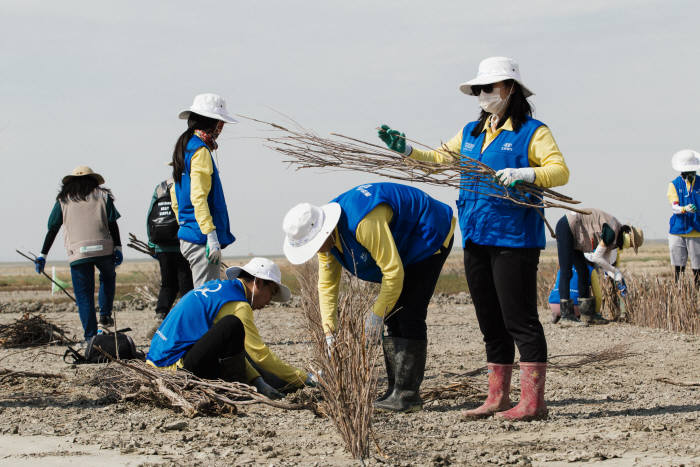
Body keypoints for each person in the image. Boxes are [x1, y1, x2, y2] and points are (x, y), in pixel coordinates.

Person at [378, 57, 568, 421]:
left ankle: (533, 403)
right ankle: (497, 397)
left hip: (514, 239)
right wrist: (404, 149)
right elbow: (437, 159)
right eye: (477, 89)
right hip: (476, 238)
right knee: (490, 321)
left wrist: (526, 172)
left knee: (520, 320)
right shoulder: (471, 133)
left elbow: (559, 170)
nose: (481, 94)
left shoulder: (533, 131)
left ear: (509, 88)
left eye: (488, 88)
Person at [282, 182, 455, 412]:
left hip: (428, 234)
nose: (317, 251)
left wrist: (375, 315)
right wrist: (329, 334)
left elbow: (393, 274)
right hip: (403, 248)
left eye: (315, 245)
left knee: (408, 313)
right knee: (393, 315)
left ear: (322, 232)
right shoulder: (328, 242)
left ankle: (407, 396)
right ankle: (395, 391)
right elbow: (326, 286)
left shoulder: (362, 222)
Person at [146, 257, 313, 398]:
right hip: (175, 368)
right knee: (232, 325)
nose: (269, 301)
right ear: (259, 283)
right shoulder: (238, 304)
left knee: (236, 338)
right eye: (272, 292)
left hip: (155, 362)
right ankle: (237, 390)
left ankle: (250, 382)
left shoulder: (217, 288)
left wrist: (256, 380)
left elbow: (234, 349)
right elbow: (260, 355)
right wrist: (305, 378)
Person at [34, 166, 122, 342]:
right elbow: (113, 224)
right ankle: (104, 315)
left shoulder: (63, 200)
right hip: (103, 248)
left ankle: (90, 337)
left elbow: (52, 228)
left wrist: (43, 254)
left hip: (78, 253)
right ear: (93, 180)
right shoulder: (103, 196)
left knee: (84, 295)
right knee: (108, 277)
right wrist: (118, 247)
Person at [171, 93, 237, 287]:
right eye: (220, 124)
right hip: (201, 238)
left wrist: (184, 224)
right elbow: (198, 196)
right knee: (206, 296)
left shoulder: (185, 148)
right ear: (214, 124)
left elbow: (175, 194)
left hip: (190, 233)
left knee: (202, 294)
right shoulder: (199, 151)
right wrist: (210, 235)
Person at [555, 208, 643, 325]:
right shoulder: (612, 232)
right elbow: (597, 257)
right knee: (566, 271)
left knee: (584, 271)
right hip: (567, 227)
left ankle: (587, 314)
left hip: (575, 234)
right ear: (628, 236)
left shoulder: (614, 236)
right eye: (631, 244)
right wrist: (614, 271)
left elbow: (603, 262)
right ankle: (566, 316)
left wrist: (616, 276)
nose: (629, 246)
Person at [147, 177, 194, 320]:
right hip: (182, 243)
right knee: (186, 283)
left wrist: (152, 243)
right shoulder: (190, 183)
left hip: (162, 245)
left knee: (167, 284)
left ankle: (160, 314)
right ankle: (188, 317)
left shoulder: (160, 187)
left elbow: (150, 214)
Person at [667, 149, 700, 285]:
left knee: (697, 267)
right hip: (677, 230)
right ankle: (679, 290)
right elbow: (674, 206)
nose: (691, 174)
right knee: (678, 266)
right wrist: (684, 209)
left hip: (696, 231)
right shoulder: (674, 185)